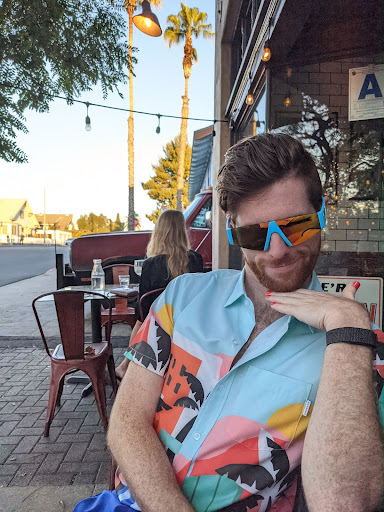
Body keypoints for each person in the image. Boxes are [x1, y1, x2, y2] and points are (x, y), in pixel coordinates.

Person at [75, 133, 383, 512]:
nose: (278, 249)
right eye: (255, 233)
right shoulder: (181, 297)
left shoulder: (351, 350)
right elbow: (127, 420)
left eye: (296, 225)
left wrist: (349, 324)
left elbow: (344, 503)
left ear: (321, 216)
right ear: (232, 232)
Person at [115, 209, 203, 380]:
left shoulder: (150, 264)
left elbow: (144, 309)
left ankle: (125, 366)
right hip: (188, 324)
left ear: (159, 233)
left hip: (157, 327)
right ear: (182, 232)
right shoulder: (195, 260)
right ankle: (125, 366)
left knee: (141, 320)